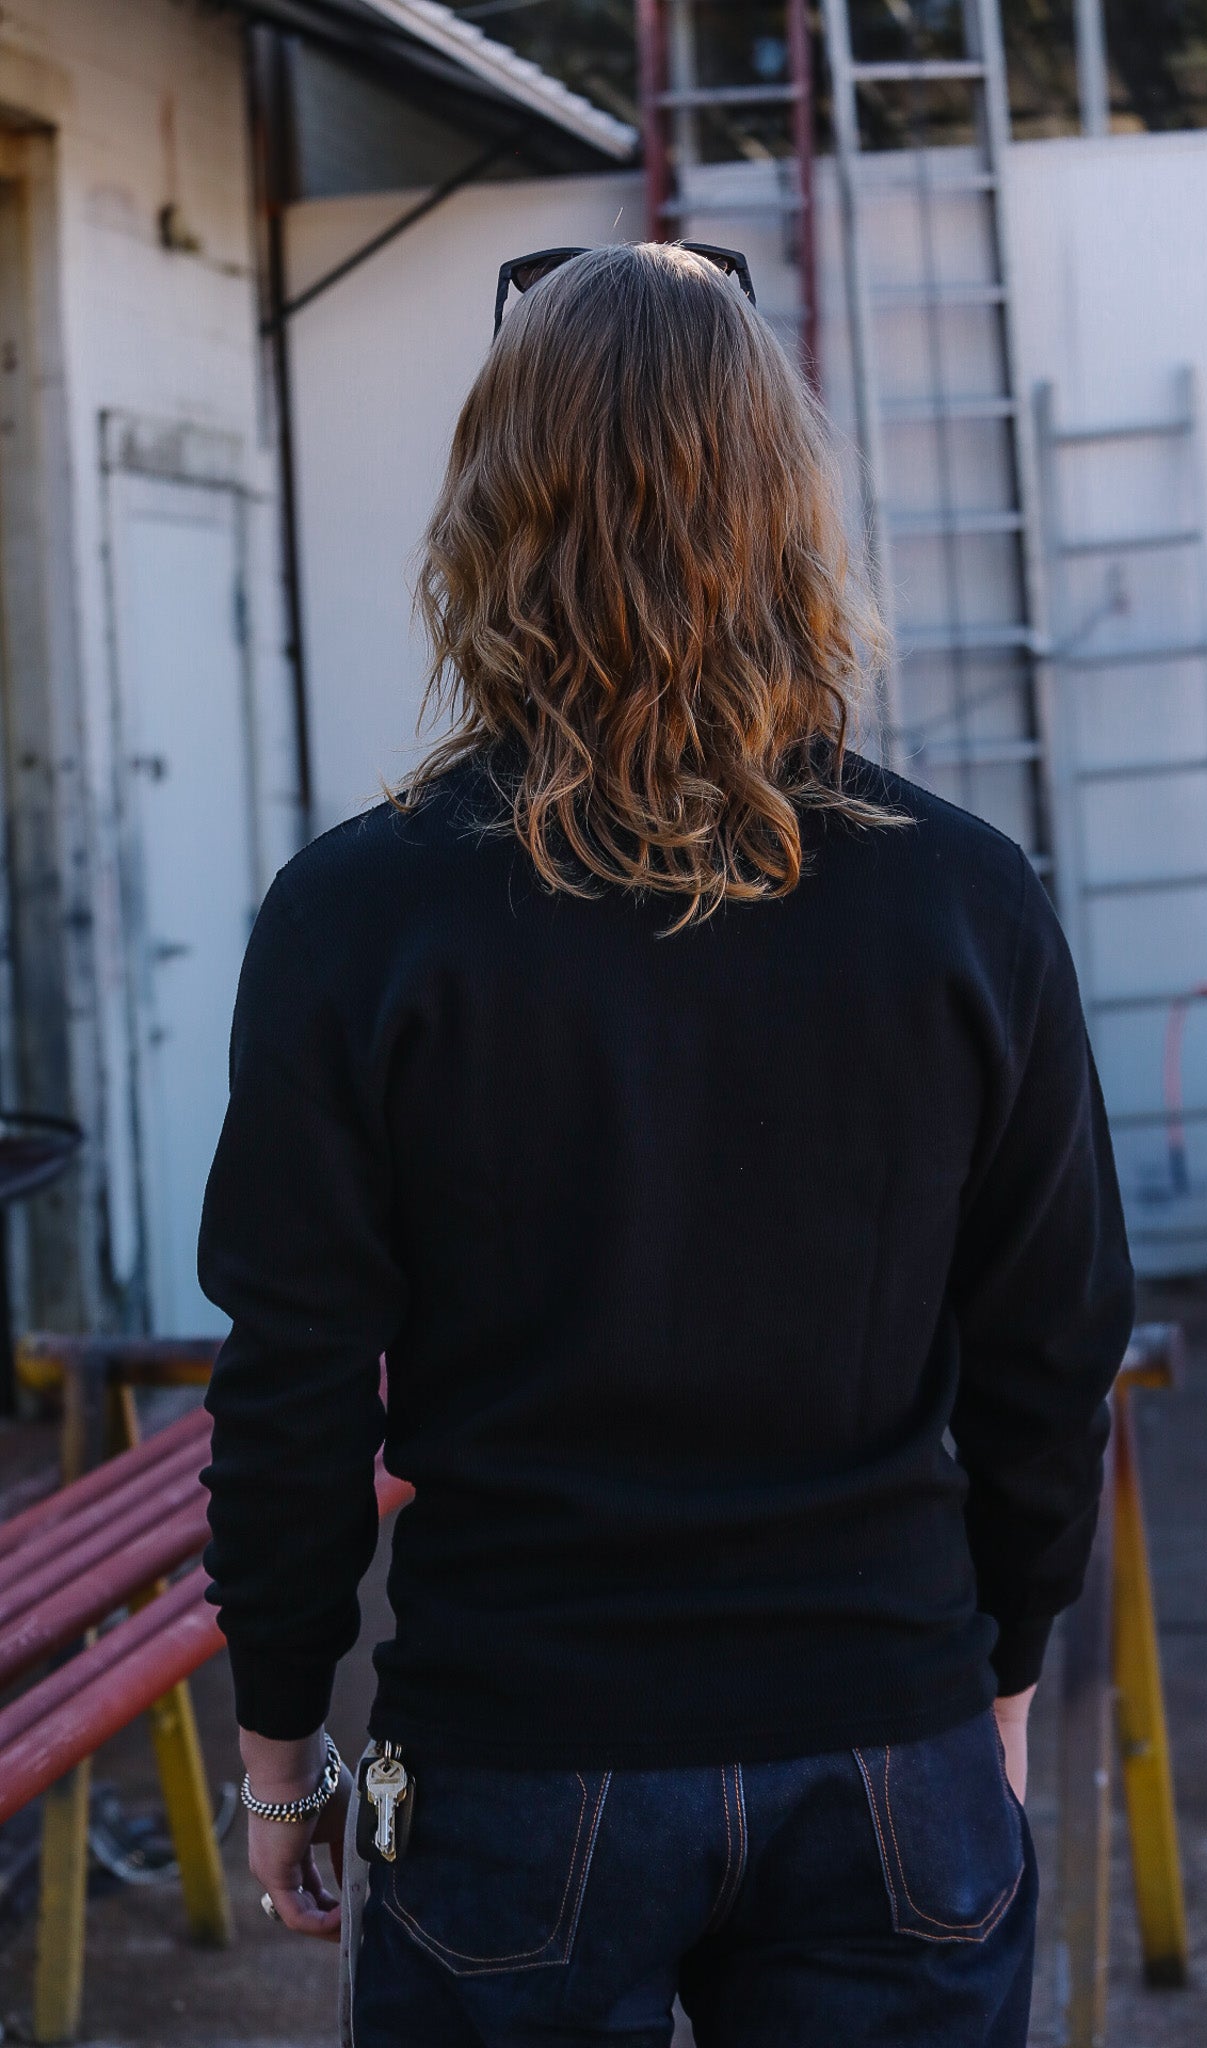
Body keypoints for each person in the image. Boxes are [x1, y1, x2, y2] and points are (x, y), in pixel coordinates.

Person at [200, 241, 1133, 2048]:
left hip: (517, 1755)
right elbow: (1054, 1343)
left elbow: (293, 1373)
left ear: (492, 513)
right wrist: (1000, 1672)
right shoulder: (963, 899)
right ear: (787, 510)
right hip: (888, 1735)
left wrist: (282, 1738)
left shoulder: (356, 913)